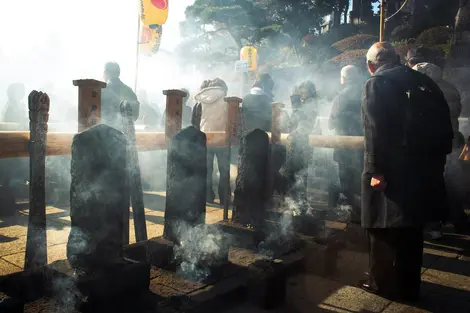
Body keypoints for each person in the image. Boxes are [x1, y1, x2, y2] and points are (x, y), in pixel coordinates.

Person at [361, 42, 453, 302]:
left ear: (370, 65)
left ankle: (382, 284)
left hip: (392, 171)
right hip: (424, 171)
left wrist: (376, 170)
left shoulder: (377, 83)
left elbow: (376, 131)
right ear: (398, 59)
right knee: (412, 231)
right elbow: (445, 128)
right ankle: (408, 286)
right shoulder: (424, 81)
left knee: (382, 227)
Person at [412, 62, 465, 238]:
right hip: (449, 142)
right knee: (449, 182)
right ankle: (458, 220)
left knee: (430, 185)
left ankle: (434, 225)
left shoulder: (423, 90)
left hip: (428, 146)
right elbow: (456, 113)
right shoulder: (449, 88)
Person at [329, 65, 364, 224]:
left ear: (343, 79)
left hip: (345, 148)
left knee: (347, 183)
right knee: (363, 182)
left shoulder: (341, 97)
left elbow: (331, 123)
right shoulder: (367, 92)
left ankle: (353, 217)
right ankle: (365, 214)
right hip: (366, 147)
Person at [192, 78, 230, 204]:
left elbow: (195, 123)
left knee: (207, 170)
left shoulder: (200, 102)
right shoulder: (227, 102)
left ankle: (208, 196)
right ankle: (224, 197)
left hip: (205, 139)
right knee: (224, 170)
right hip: (222, 140)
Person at [101, 62, 139, 130]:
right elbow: (135, 115)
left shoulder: (102, 91)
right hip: (126, 134)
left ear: (106, 72)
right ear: (119, 73)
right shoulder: (129, 91)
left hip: (106, 134)